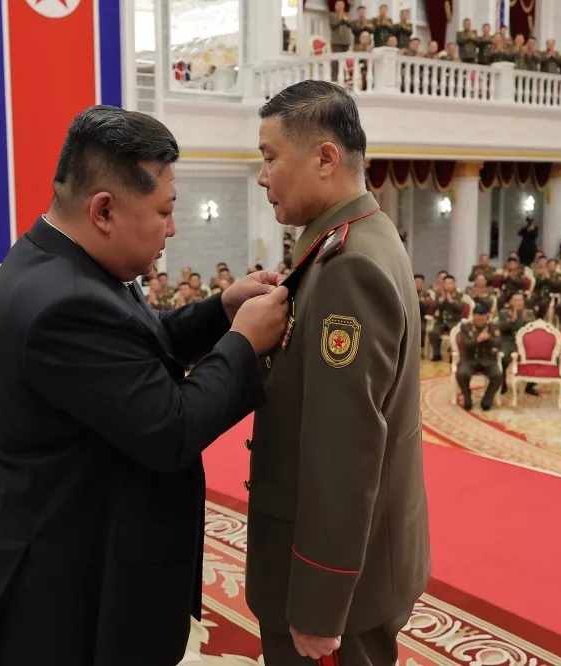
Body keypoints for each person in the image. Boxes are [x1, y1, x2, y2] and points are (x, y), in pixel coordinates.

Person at [0, 105, 290, 665]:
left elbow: (137, 342)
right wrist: (244, 343)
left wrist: (219, 313)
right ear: (105, 210)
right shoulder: (65, 302)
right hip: (58, 594)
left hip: (73, 550)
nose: (172, 229)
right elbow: (172, 427)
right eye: (165, 211)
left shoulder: (66, 259)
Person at [246, 80, 428, 666]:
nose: (262, 176)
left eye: (270, 157)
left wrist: (320, 603)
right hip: (363, 563)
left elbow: (344, 452)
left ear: (325, 158)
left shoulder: (348, 266)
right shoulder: (353, 238)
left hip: (336, 585)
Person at [455, 303, 502, 411]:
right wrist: (478, 340)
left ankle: (487, 399)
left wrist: (488, 338)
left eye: (482, 318)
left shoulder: (493, 327)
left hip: (488, 359)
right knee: (462, 374)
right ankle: (467, 397)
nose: (480, 321)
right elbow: (465, 344)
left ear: (487, 317)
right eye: (477, 318)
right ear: (473, 316)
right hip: (470, 359)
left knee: (497, 375)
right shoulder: (466, 327)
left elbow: (498, 343)